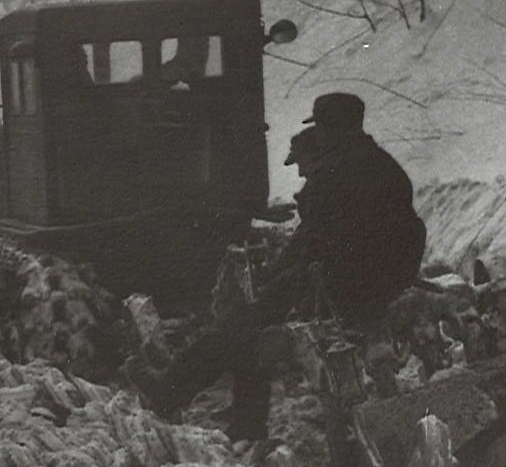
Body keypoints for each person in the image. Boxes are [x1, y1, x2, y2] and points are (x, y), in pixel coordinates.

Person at [137, 92, 426, 442]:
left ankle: (174, 393)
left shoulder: (332, 175)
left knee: (244, 330)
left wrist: (278, 285)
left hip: (337, 290)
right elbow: (410, 233)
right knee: (253, 325)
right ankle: (226, 413)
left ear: (325, 130)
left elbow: (312, 246)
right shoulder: (387, 168)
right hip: (382, 285)